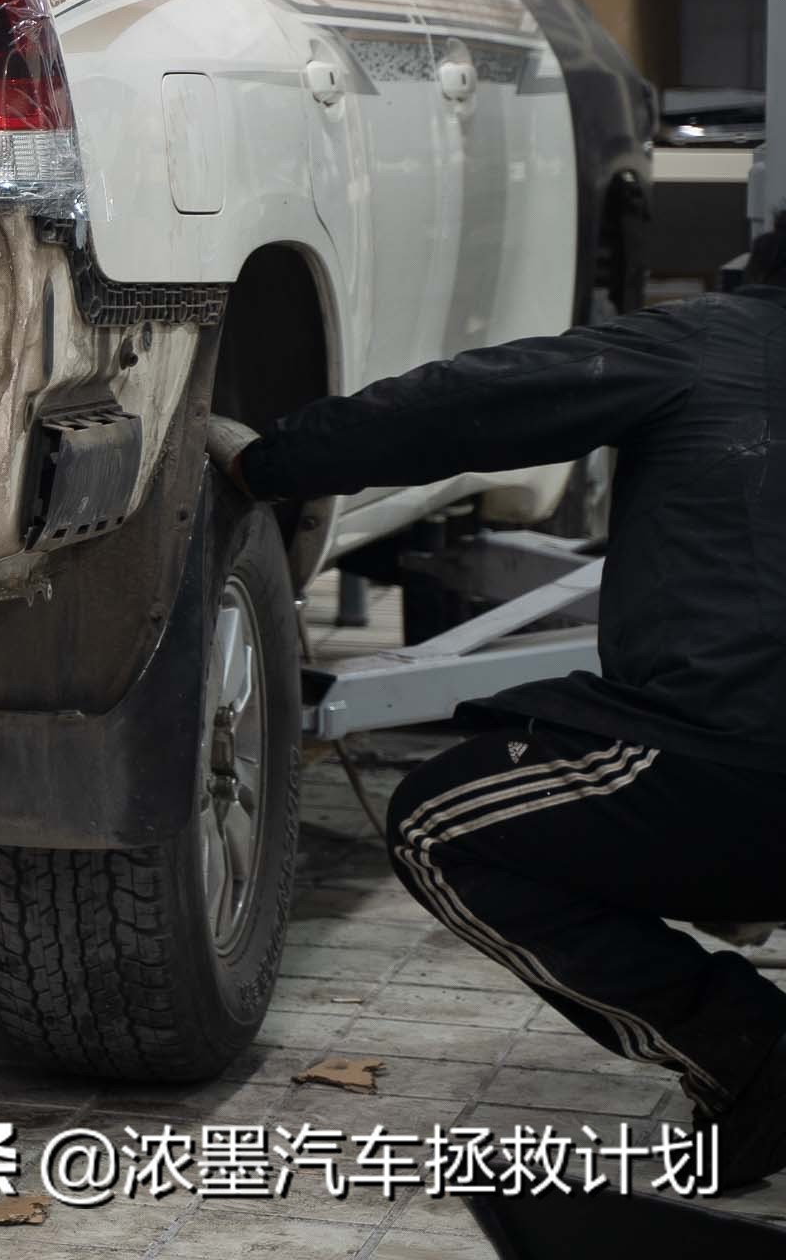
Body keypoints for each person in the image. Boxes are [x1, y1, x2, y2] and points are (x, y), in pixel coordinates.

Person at [217, 218, 786, 1182]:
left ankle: (751, 1050)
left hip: (729, 768)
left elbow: (468, 404)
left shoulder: (710, 341)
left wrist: (273, 462)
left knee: (446, 827)